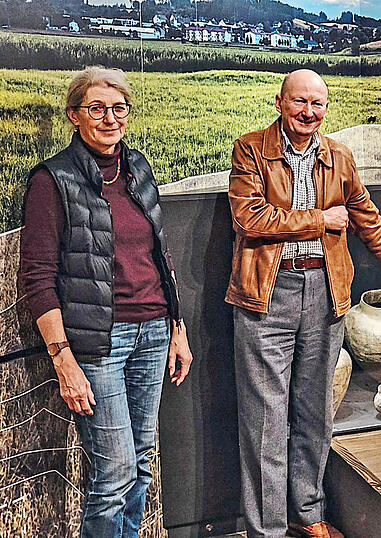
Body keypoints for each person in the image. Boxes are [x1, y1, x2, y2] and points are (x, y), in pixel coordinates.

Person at [227, 69, 381, 538]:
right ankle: (265, 530)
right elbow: (250, 219)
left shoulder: (339, 158)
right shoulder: (251, 149)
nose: (308, 113)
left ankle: (308, 516)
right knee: (266, 420)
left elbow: (370, 224)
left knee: (314, 414)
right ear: (279, 103)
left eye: (318, 104)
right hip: (267, 296)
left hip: (326, 296)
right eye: (299, 102)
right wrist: (321, 220)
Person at [18, 66, 193, 537]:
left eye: (119, 108)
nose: (110, 118)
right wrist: (63, 360)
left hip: (154, 331)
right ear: (76, 115)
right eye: (97, 108)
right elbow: (36, 279)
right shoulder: (51, 180)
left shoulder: (137, 168)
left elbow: (160, 252)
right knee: (112, 475)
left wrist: (177, 328)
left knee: (141, 463)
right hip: (97, 344)